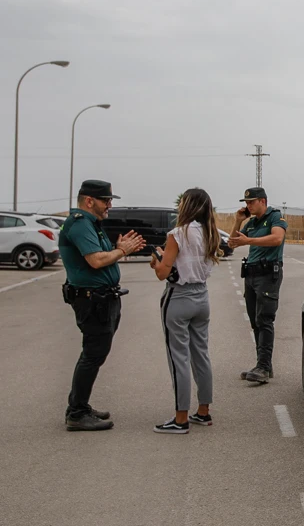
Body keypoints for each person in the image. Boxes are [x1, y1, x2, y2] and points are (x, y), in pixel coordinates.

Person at [59, 180, 145, 432]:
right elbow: (96, 260)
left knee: (94, 354)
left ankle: (80, 406)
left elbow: (103, 257)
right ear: (89, 201)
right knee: (92, 355)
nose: (109, 204)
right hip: (91, 300)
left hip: (101, 298)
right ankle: (76, 412)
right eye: (105, 200)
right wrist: (122, 250)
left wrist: (119, 249)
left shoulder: (90, 224)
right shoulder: (80, 224)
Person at [150, 188, 220, 434]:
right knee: (201, 354)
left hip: (179, 298)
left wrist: (157, 260)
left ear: (186, 207)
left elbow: (162, 272)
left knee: (178, 357)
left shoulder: (177, 234)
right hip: (202, 297)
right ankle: (203, 411)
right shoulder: (210, 234)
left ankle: (180, 418)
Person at [228, 187, 288, 384]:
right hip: (252, 275)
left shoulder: (274, 217)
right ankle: (262, 365)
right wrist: (238, 220)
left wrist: (250, 240)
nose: (248, 206)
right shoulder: (251, 222)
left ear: (263, 201)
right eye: (246, 203)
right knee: (255, 320)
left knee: (265, 320)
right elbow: (232, 243)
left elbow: (277, 238)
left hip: (268, 274)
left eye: (251, 202)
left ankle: (263, 367)